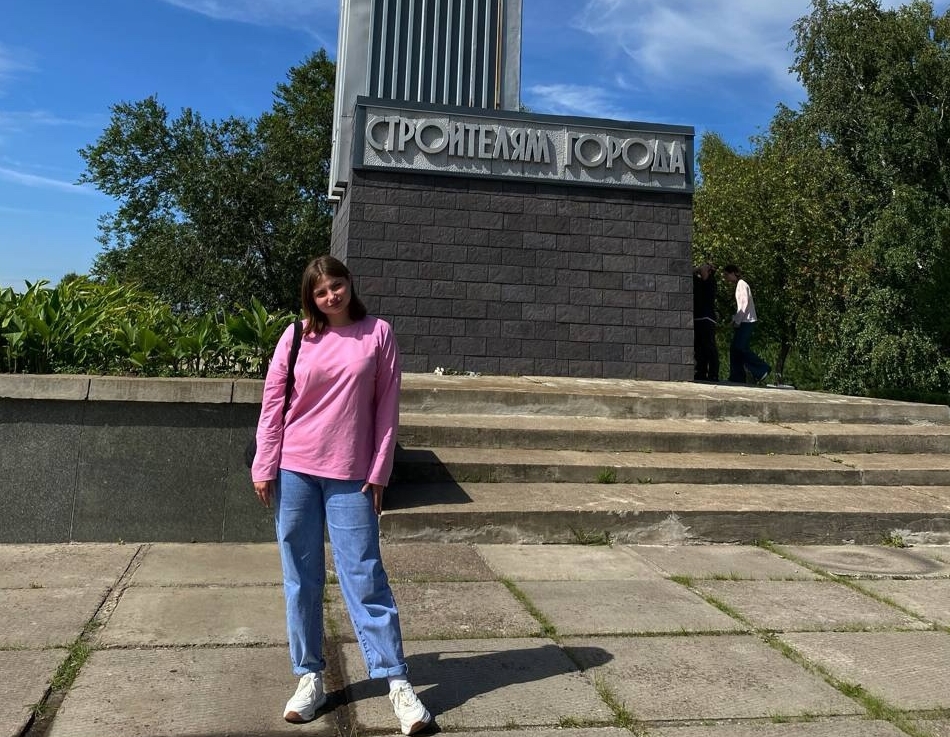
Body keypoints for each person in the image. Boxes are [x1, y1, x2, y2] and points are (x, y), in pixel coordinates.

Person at [252, 255, 432, 736]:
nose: (330, 296)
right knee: (300, 578)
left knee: (366, 576)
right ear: (310, 298)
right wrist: (264, 464)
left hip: (351, 475)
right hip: (295, 470)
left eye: (336, 285)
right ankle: (310, 677)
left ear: (349, 283)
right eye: (320, 291)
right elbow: (273, 404)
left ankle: (397, 682)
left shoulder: (378, 334)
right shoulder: (295, 337)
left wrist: (380, 471)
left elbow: (387, 407)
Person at [722, 264, 770, 384]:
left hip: (746, 321)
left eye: (727, 275)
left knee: (740, 348)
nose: (726, 278)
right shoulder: (740, 285)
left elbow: (744, 304)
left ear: (733, 273)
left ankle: (762, 369)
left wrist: (737, 321)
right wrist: (735, 319)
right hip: (743, 320)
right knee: (735, 349)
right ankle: (736, 376)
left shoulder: (742, 284)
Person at [692, 263, 719, 381]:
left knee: (709, 347)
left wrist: (700, 268)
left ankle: (713, 374)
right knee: (699, 348)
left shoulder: (711, 282)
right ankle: (701, 372)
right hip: (698, 318)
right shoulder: (698, 281)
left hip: (707, 318)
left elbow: (701, 270)